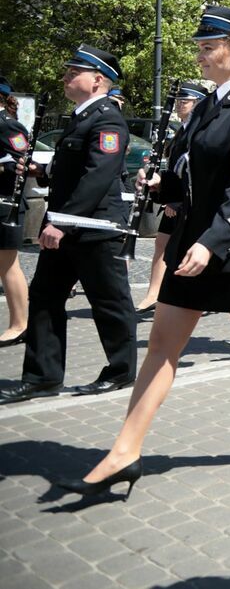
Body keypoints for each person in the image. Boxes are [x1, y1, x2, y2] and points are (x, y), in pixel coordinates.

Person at [56, 7, 230, 499]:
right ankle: (125, 451)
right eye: (201, 46)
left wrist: (212, 242)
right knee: (163, 345)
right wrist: (162, 184)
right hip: (193, 244)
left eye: (210, 47)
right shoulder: (208, 105)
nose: (201, 54)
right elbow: (193, 175)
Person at [0, 46, 137, 404]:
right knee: (45, 298)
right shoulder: (81, 116)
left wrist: (59, 222)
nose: (66, 77)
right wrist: (39, 171)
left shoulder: (107, 118)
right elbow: (73, 168)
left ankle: (121, 371)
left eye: (73, 71)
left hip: (93, 227)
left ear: (97, 79)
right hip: (66, 225)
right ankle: (42, 377)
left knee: (109, 302)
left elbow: (98, 175)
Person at [135, 81, 209, 314]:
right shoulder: (182, 130)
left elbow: (195, 172)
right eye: (178, 101)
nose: (179, 105)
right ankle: (153, 294)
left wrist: (176, 200)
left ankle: (199, 297)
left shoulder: (199, 130)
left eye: (184, 101)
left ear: (197, 103)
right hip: (173, 198)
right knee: (161, 245)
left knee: (188, 250)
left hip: (185, 202)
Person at [0, 76, 30, 347]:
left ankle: (20, 324)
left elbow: (25, 159)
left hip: (5, 204)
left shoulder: (7, 125)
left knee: (8, 265)